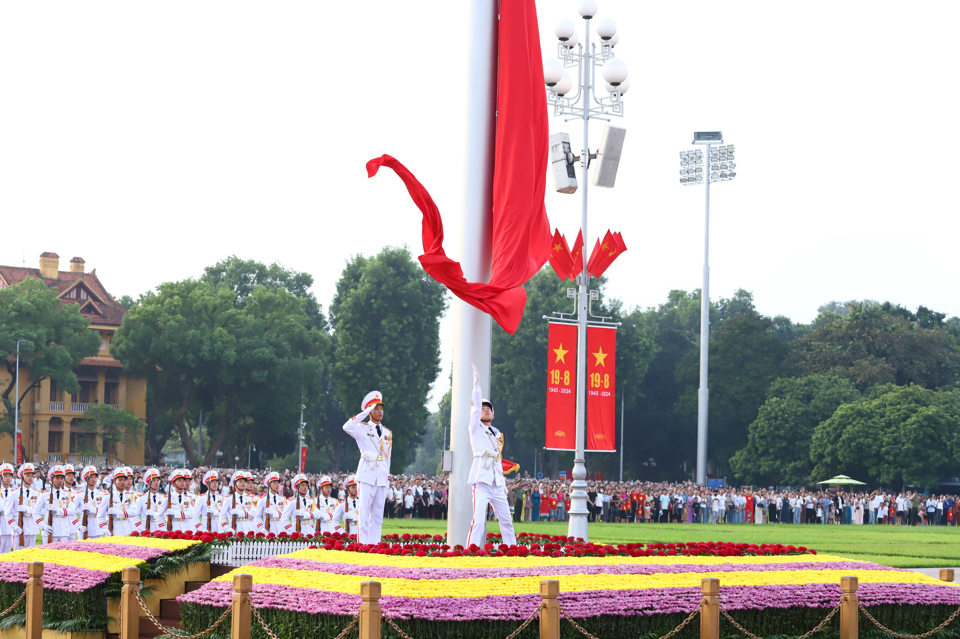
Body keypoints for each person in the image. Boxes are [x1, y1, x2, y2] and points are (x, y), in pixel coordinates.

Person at [466, 363, 516, 547]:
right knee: (478, 522)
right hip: (482, 481)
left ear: (493, 414)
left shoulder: (497, 434)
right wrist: (476, 386)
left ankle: (513, 551)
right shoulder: (475, 428)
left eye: (489, 409)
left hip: (496, 482)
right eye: (483, 408)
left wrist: (502, 483)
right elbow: (474, 409)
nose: (486, 410)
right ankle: (470, 552)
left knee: (507, 522)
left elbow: (498, 460)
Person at [343, 391, 391, 544]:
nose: (380, 411)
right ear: (370, 411)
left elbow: (387, 459)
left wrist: (387, 480)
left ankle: (374, 544)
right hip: (367, 475)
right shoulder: (362, 428)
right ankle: (363, 544)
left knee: (377, 514)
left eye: (381, 408)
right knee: (364, 513)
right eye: (376, 408)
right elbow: (346, 426)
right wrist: (363, 413)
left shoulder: (387, 433)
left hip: (381, 477)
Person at [34, 465, 79, 543]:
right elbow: (35, 513)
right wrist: (43, 526)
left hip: (64, 531)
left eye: (61, 478)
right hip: (50, 531)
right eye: (57, 478)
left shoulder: (67, 494)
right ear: (52, 479)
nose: (60, 481)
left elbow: (72, 511)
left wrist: (57, 510)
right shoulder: (44, 495)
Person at [72, 466, 110, 539]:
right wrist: (78, 525)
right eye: (91, 477)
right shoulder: (79, 495)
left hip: (99, 528)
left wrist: (106, 527)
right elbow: (72, 512)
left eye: (95, 477)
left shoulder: (102, 494)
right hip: (85, 527)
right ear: (86, 479)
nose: (93, 479)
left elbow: (106, 512)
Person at [13, 464, 41, 549]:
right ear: (22, 477)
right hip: (19, 527)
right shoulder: (14, 493)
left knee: (31, 557)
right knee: (18, 557)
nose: (30, 478)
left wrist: (27, 509)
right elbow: (8, 514)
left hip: (32, 528)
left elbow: (42, 511)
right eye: (27, 475)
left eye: (32, 476)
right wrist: (15, 526)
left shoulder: (37, 493)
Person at [254, 472, 287, 536]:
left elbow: (285, 515)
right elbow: (257, 517)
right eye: (274, 483)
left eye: (278, 483)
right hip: (269, 529)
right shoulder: (263, 500)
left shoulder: (282, 499)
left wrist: (274, 513)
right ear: (269, 485)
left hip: (280, 529)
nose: (277, 485)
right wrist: (262, 529)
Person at [137, 468, 168, 533]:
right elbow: (136, 517)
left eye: (157, 480)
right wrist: (142, 530)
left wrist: (154, 514)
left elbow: (165, 515)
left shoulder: (163, 498)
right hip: (146, 527)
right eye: (153, 480)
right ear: (148, 483)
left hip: (161, 528)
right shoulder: (142, 498)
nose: (156, 482)